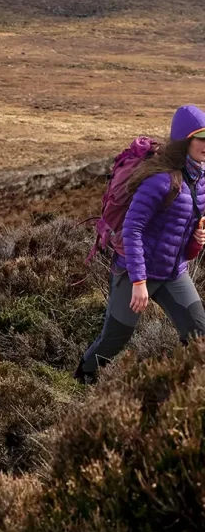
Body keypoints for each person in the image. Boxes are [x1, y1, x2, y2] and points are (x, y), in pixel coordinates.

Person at [77, 104, 205, 381]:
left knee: (200, 336)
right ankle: (83, 377)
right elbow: (133, 229)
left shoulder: (201, 180)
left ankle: (185, 390)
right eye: (201, 137)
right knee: (114, 340)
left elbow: (186, 238)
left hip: (174, 274)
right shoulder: (160, 180)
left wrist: (196, 241)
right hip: (135, 272)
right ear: (185, 140)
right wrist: (138, 282)